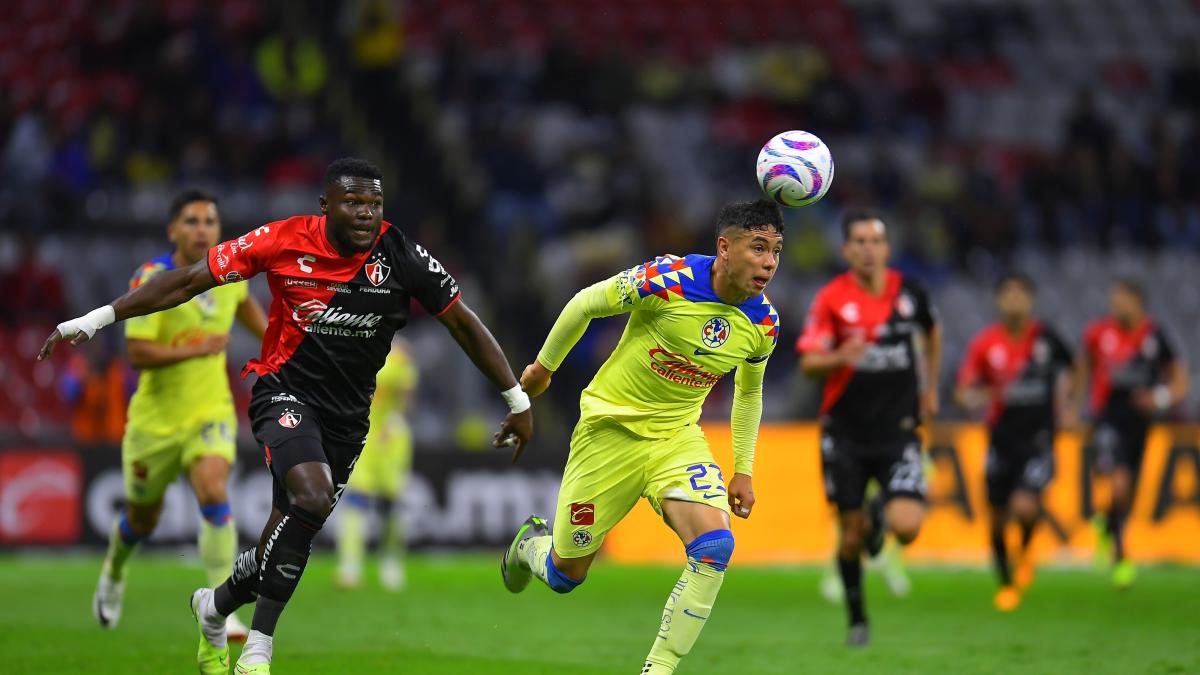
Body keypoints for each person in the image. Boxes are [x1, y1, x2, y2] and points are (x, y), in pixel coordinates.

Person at [39, 158, 533, 675]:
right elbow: (186, 281)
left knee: (287, 534)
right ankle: (259, 647)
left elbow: (463, 323)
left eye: (374, 203)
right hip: (283, 394)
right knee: (313, 496)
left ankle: (214, 606)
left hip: (348, 420)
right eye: (354, 202)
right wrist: (94, 320)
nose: (366, 213)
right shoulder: (283, 240)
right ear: (326, 206)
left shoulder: (401, 253)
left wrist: (516, 399)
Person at [502, 200, 783, 675]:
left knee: (715, 547)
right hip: (608, 432)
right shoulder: (668, 279)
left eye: (776, 250)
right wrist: (543, 367)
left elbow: (748, 395)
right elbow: (587, 302)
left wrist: (743, 469)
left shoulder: (763, 324)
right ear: (724, 247)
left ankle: (659, 668)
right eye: (758, 248)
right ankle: (530, 546)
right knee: (565, 574)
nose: (770, 262)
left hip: (676, 439)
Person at [93, 190, 267, 641]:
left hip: (210, 411)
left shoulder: (231, 276)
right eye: (191, 221)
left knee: (214, 491)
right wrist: (195, 347)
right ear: (173, 230)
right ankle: (113, 572)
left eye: (210, 220)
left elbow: (256, 320)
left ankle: (222, 606)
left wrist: (290, 350)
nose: (202, 228)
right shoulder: (152, 278)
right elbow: (135, 351)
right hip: (155, 422)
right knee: (141, 520)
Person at [795, 209, 941, 647]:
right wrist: (840, 357)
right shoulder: (831, 299)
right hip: (846, 433)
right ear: (845, 250)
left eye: (875, 241)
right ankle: (858, 619)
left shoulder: (910, 293)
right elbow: (807, 362)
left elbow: (933, 333)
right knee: (850, 534)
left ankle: (882, 513)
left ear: (887, 248)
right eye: (858, 241)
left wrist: (930, 387)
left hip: (898, 430)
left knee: (909, 527)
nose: (867, 249)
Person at [955, 273, 1077, 611]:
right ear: (998, 301)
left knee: (1025, 507)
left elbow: (1074, 368)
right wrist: (973, 398)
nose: (1014, 300)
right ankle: (1005, 580)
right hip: (1001, 439)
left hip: (1038, 437)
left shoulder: (1046, 340)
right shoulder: (986, 343)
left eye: (1020, 294)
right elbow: (964, 390)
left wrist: (1068, 407)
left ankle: (1024, 555)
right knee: (995, 517)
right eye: (1007, 294)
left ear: (1030, 300)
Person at [1080, 278, 1188, 589]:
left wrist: (1160, 398)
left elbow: (1180, 382)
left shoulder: (1155, 336)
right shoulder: (1099, 334)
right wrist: (1076, 406)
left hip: (1140, 424)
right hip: (1108, 419)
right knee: (1118, 485)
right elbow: (1083, 366)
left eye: (1121, 298)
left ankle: (1105, 526)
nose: (1115, 305)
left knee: (1127, 494)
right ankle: (1120, 556)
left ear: (1137, 300)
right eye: (1113, 298)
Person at [334, 337, 417, 591]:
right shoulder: (356, 345)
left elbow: (406, 395)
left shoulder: (400, 354)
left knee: (389, 503)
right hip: (364, 436)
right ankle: (350, 565)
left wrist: (394, 419)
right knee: (357, 497)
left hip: (391, 438)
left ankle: (390, 562)